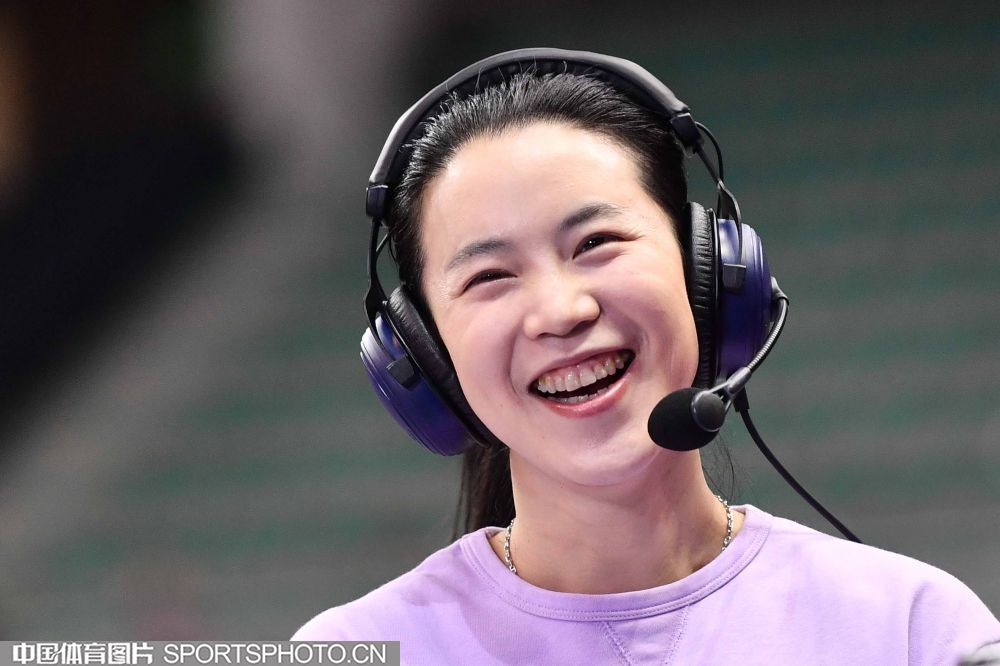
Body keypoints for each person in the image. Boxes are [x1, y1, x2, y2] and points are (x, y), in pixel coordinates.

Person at [293, 49, 999, 664]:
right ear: (423, 353)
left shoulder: (914, 629)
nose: (561, 311)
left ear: (706, 273)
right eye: (490, 277)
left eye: (596, 243)